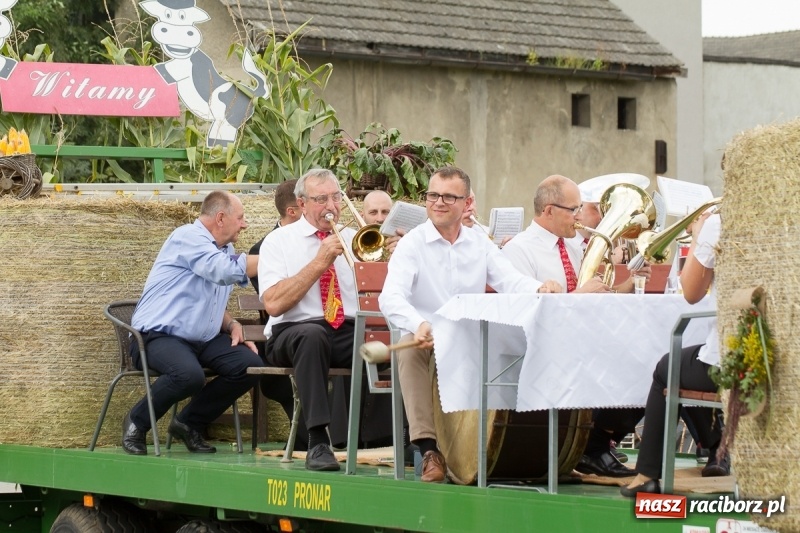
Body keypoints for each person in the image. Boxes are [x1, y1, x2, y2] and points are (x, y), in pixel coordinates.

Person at [379, 166, 562, 483]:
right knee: (408, 353)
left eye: (448, 197)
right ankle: (429, 450)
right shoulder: (412, 244)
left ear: (466, 202)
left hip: (468, 337)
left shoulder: (480, 242)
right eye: (433, 195)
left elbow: (510, 280)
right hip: (427, 336)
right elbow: (390, 297)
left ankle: (517, 446)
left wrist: (539, 288)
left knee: (522, 338)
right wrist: (418, 323)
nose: (438, 202)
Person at [502, 175, 651, 477]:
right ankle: (591, 448)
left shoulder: (573, 246)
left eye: (580, 208)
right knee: (620, 362)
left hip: (582, 340)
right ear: (548, 210)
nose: (579, 216)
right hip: (542, 349)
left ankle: (596, 444)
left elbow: (594, 297)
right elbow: (526, 311)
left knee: (650, 362)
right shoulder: (519, 249)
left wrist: (629, 283)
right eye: (574, 209)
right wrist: (577, 296)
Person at [124, 191, 263, 455]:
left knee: (251, 367)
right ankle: (137, 421)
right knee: (188, 375)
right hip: (156, 337)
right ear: (220, 218)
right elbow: (221, 271)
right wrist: (280, 261)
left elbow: (206, 299)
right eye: (241, 217)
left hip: (201, 339)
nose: (245, 224)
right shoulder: (187, 237)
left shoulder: (225, 250)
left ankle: (188, 423)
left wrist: (232, 323)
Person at [257, 168, 358, 472]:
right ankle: (317, 440)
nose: (332, 205)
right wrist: (320, 261)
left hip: (344, 328)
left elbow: (378, 297)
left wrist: (388, 260)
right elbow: (274, 303)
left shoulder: (355, 237)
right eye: (321, 199)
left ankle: (402, 439)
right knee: (312, 335)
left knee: (387, 341)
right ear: (301, 204)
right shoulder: (278, 242)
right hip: (292, 331)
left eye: (336, 196)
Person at [621, 211, 728, 496]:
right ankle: (719, 450)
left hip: (730, 361)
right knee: (688, 358)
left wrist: (697, 235)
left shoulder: (719, 223)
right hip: (778, 359)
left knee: (667, 368)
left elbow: (691, 292)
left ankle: (646, 475)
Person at [360, 189, 404, 256]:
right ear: (362, 217)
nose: (380, 219)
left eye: (385, 212)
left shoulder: (403, 242)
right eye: (373, 212)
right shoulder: (351, 242)